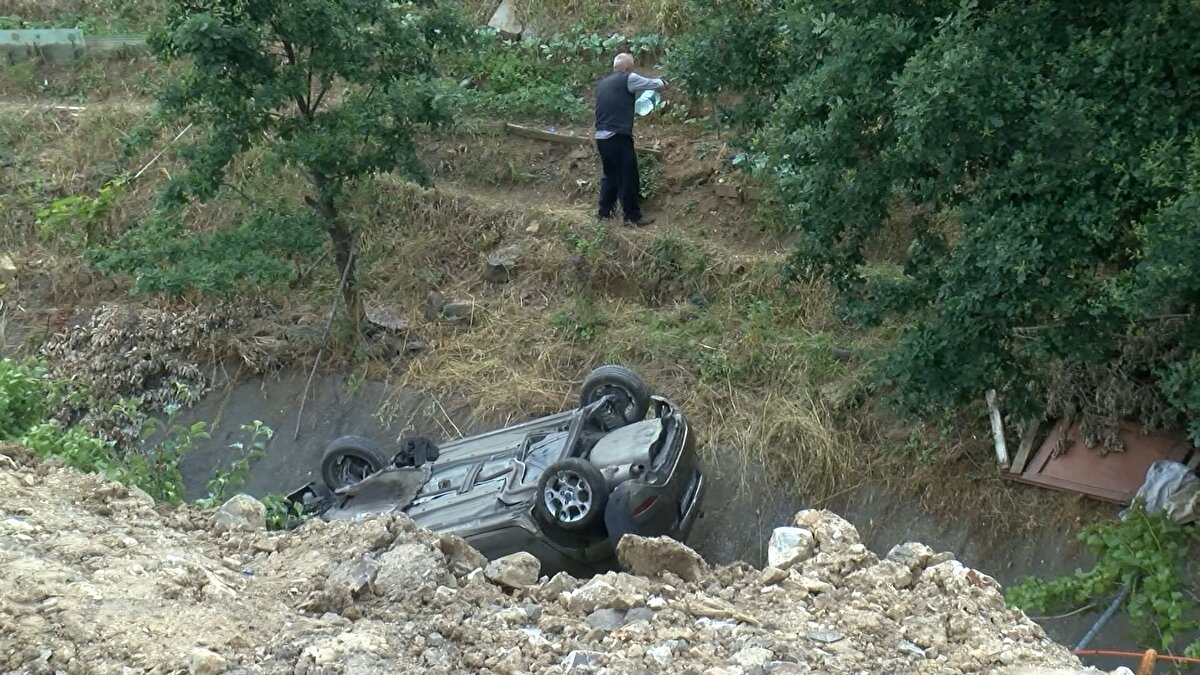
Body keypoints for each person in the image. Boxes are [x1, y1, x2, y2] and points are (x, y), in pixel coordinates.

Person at [593, 53, 665, 226]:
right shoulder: (628, 78)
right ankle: (632, 217)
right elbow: (651, 84)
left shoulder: (603, 83)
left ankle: (604, 213)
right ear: (626, 67)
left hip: (601, 137)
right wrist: (664, 83)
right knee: (628, 175)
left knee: (610, 175)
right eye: (631, 67)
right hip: (618, 136)